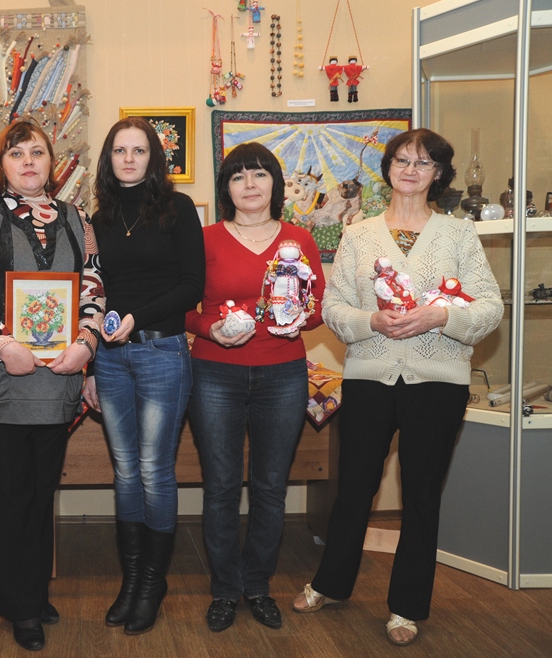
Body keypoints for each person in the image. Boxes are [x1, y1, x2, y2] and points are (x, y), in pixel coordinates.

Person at [291, 128, 502, 646]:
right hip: (370, 375)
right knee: (354, 487)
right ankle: (330, 583)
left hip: (438, 382)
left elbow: (490, 307)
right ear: (388, 169)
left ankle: (406, 607)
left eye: (424, 162)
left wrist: (439, 315)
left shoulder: (458, 234)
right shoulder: (358, 233)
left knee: (422, 494)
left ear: (439, 174)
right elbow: (333, 306)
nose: (411, 169)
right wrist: (371, 321)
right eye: (402, 160)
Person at [0, 119, 105, 651]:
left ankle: (33, 592)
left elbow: (94, 287)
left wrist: (86, 343)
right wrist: (1, 344)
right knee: (7, 499)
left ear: (51, 161)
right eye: (16, 154)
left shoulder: (77, 218)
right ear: (2, 165)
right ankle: (20, 607)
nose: (29, 162)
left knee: (40, 496)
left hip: (55, 382)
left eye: (37, 152)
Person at [184, 142, 325, 633]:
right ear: (226, 187)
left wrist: (299, 318)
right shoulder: (204, 239)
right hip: (214, 373)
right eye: (238, 175)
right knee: (221, 486)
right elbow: (181, 309)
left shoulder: (300, 239)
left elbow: (317, 308)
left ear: (275, 184)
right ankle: (225, 589)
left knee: (270, 487)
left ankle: (258, 585)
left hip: (282, 373)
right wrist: (209, 328)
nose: (249, 183)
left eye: (260, 174)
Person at [84, 116, 204, 635]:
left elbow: (192, 286)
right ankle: (131, 581)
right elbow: (92, 292)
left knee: (155, 470)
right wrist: (91, 361)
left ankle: (153, 583)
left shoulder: (178, 209)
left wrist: (138, 317)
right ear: (108, 159)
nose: (129, 159)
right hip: (111, 358)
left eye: (139, 150)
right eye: (119, 150)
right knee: (125, 472)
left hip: (162, 352)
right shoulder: (99, 218)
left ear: (154, 157)